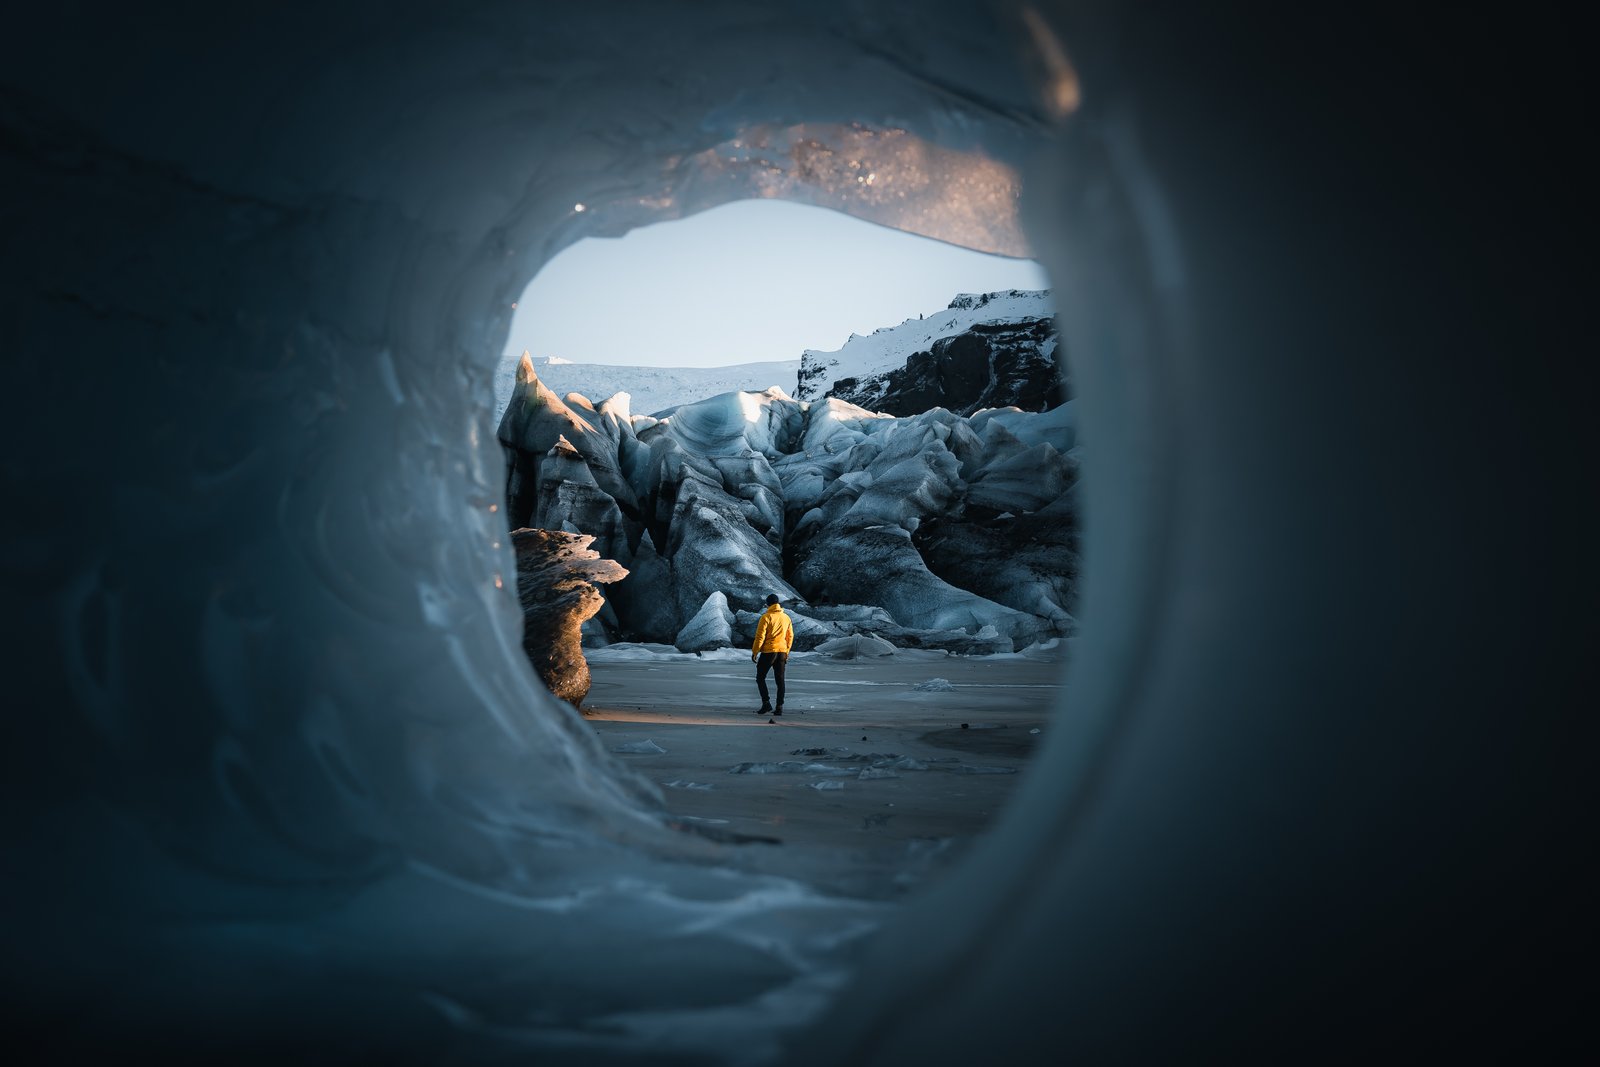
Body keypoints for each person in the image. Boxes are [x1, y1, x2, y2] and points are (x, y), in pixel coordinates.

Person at [751, 593, 794, 716]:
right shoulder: (786, 617)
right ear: (778, 603)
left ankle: (766, 703)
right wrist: (786, 651)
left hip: (769, 652)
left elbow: (760, 636)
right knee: (780, 680)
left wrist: (755, 652)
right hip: (782, 652)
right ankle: (779, 707)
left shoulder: (766, 617)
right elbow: (790, 636)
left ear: (768, 604)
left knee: (760, 678)